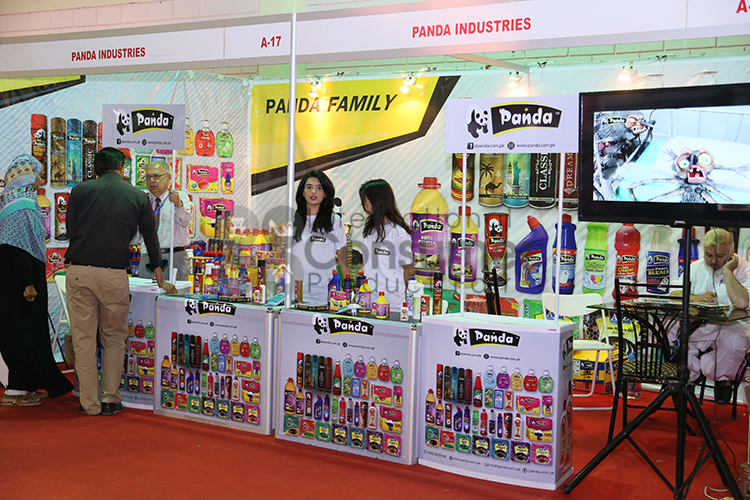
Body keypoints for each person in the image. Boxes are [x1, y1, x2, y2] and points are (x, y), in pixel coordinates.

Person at [65, 147, 177, 417]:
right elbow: (150, 237)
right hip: (114, 274)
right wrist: (158, 272)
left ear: (96, 169)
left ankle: (89, 403)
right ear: (122, 168)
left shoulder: (79, 191)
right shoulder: (137, 196)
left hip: (80, 271)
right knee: (114, 338)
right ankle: (110, 398)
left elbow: (70, 229)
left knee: (83, 339)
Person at [0, 154, 73, 407]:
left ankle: (27, 385)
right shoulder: (22, 205)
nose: (41, 179)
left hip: (18, 277)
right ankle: (16, 390)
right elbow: (16, 248)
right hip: (21, 280)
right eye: (38, 174)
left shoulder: (12, 201)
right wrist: (28, 284)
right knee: (24, 333)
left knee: (25, 331)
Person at [670, 228, 750, 404]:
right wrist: (697, 298)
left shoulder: (745, 268)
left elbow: (742, 303)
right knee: (670, 327)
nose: (713, 261)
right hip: (698, 326)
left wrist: (728, 271)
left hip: (731, 327)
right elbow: (674, 294)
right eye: (709, 255)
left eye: (720, 256)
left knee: (734, 340)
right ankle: (687, 376)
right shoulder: (696, 266)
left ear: (731, 250)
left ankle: (722, 379)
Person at [291, 170, 348, 304]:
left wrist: (348, 288)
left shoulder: (334, 221)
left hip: (324, 295)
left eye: (319, 188)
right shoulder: (293, 219)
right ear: (302, 192)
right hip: (296, 293)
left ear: (325, 193)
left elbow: (342, 257)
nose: (313, 192)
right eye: (309, 187)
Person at [358, 179, 415, 309]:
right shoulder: (367, 230)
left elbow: (409, 271)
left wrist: (410, 303)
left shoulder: (398, 234)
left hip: (392, 302)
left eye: (365, 200)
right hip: (368, 300)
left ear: (377, 201)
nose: (362, 204)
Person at [138, 160, 193, 281]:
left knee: (175, 291)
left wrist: (178, 204)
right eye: (148, 177)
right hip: (148, 256)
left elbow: (185, 221)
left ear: (168, 177)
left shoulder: (179, 197)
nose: (152, 180)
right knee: (144, 291)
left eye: (156, 176)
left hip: (174, 256)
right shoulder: (143, 199)